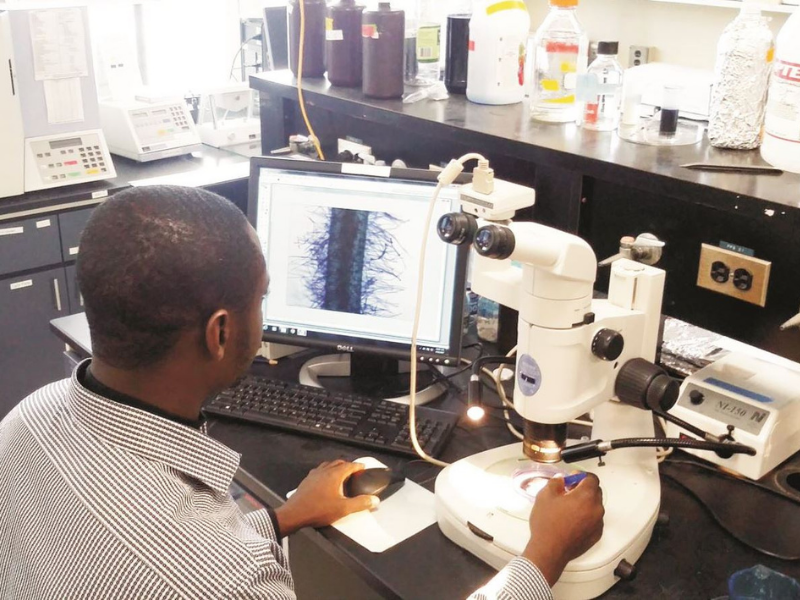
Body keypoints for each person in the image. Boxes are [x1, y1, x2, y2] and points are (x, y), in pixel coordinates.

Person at [0, 186, 604, 599]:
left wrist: (282, 517)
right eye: (261, 298)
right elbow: (193, 562)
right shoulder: (223, 580)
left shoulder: (27, 421)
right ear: (221, 332)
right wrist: (542, 557)